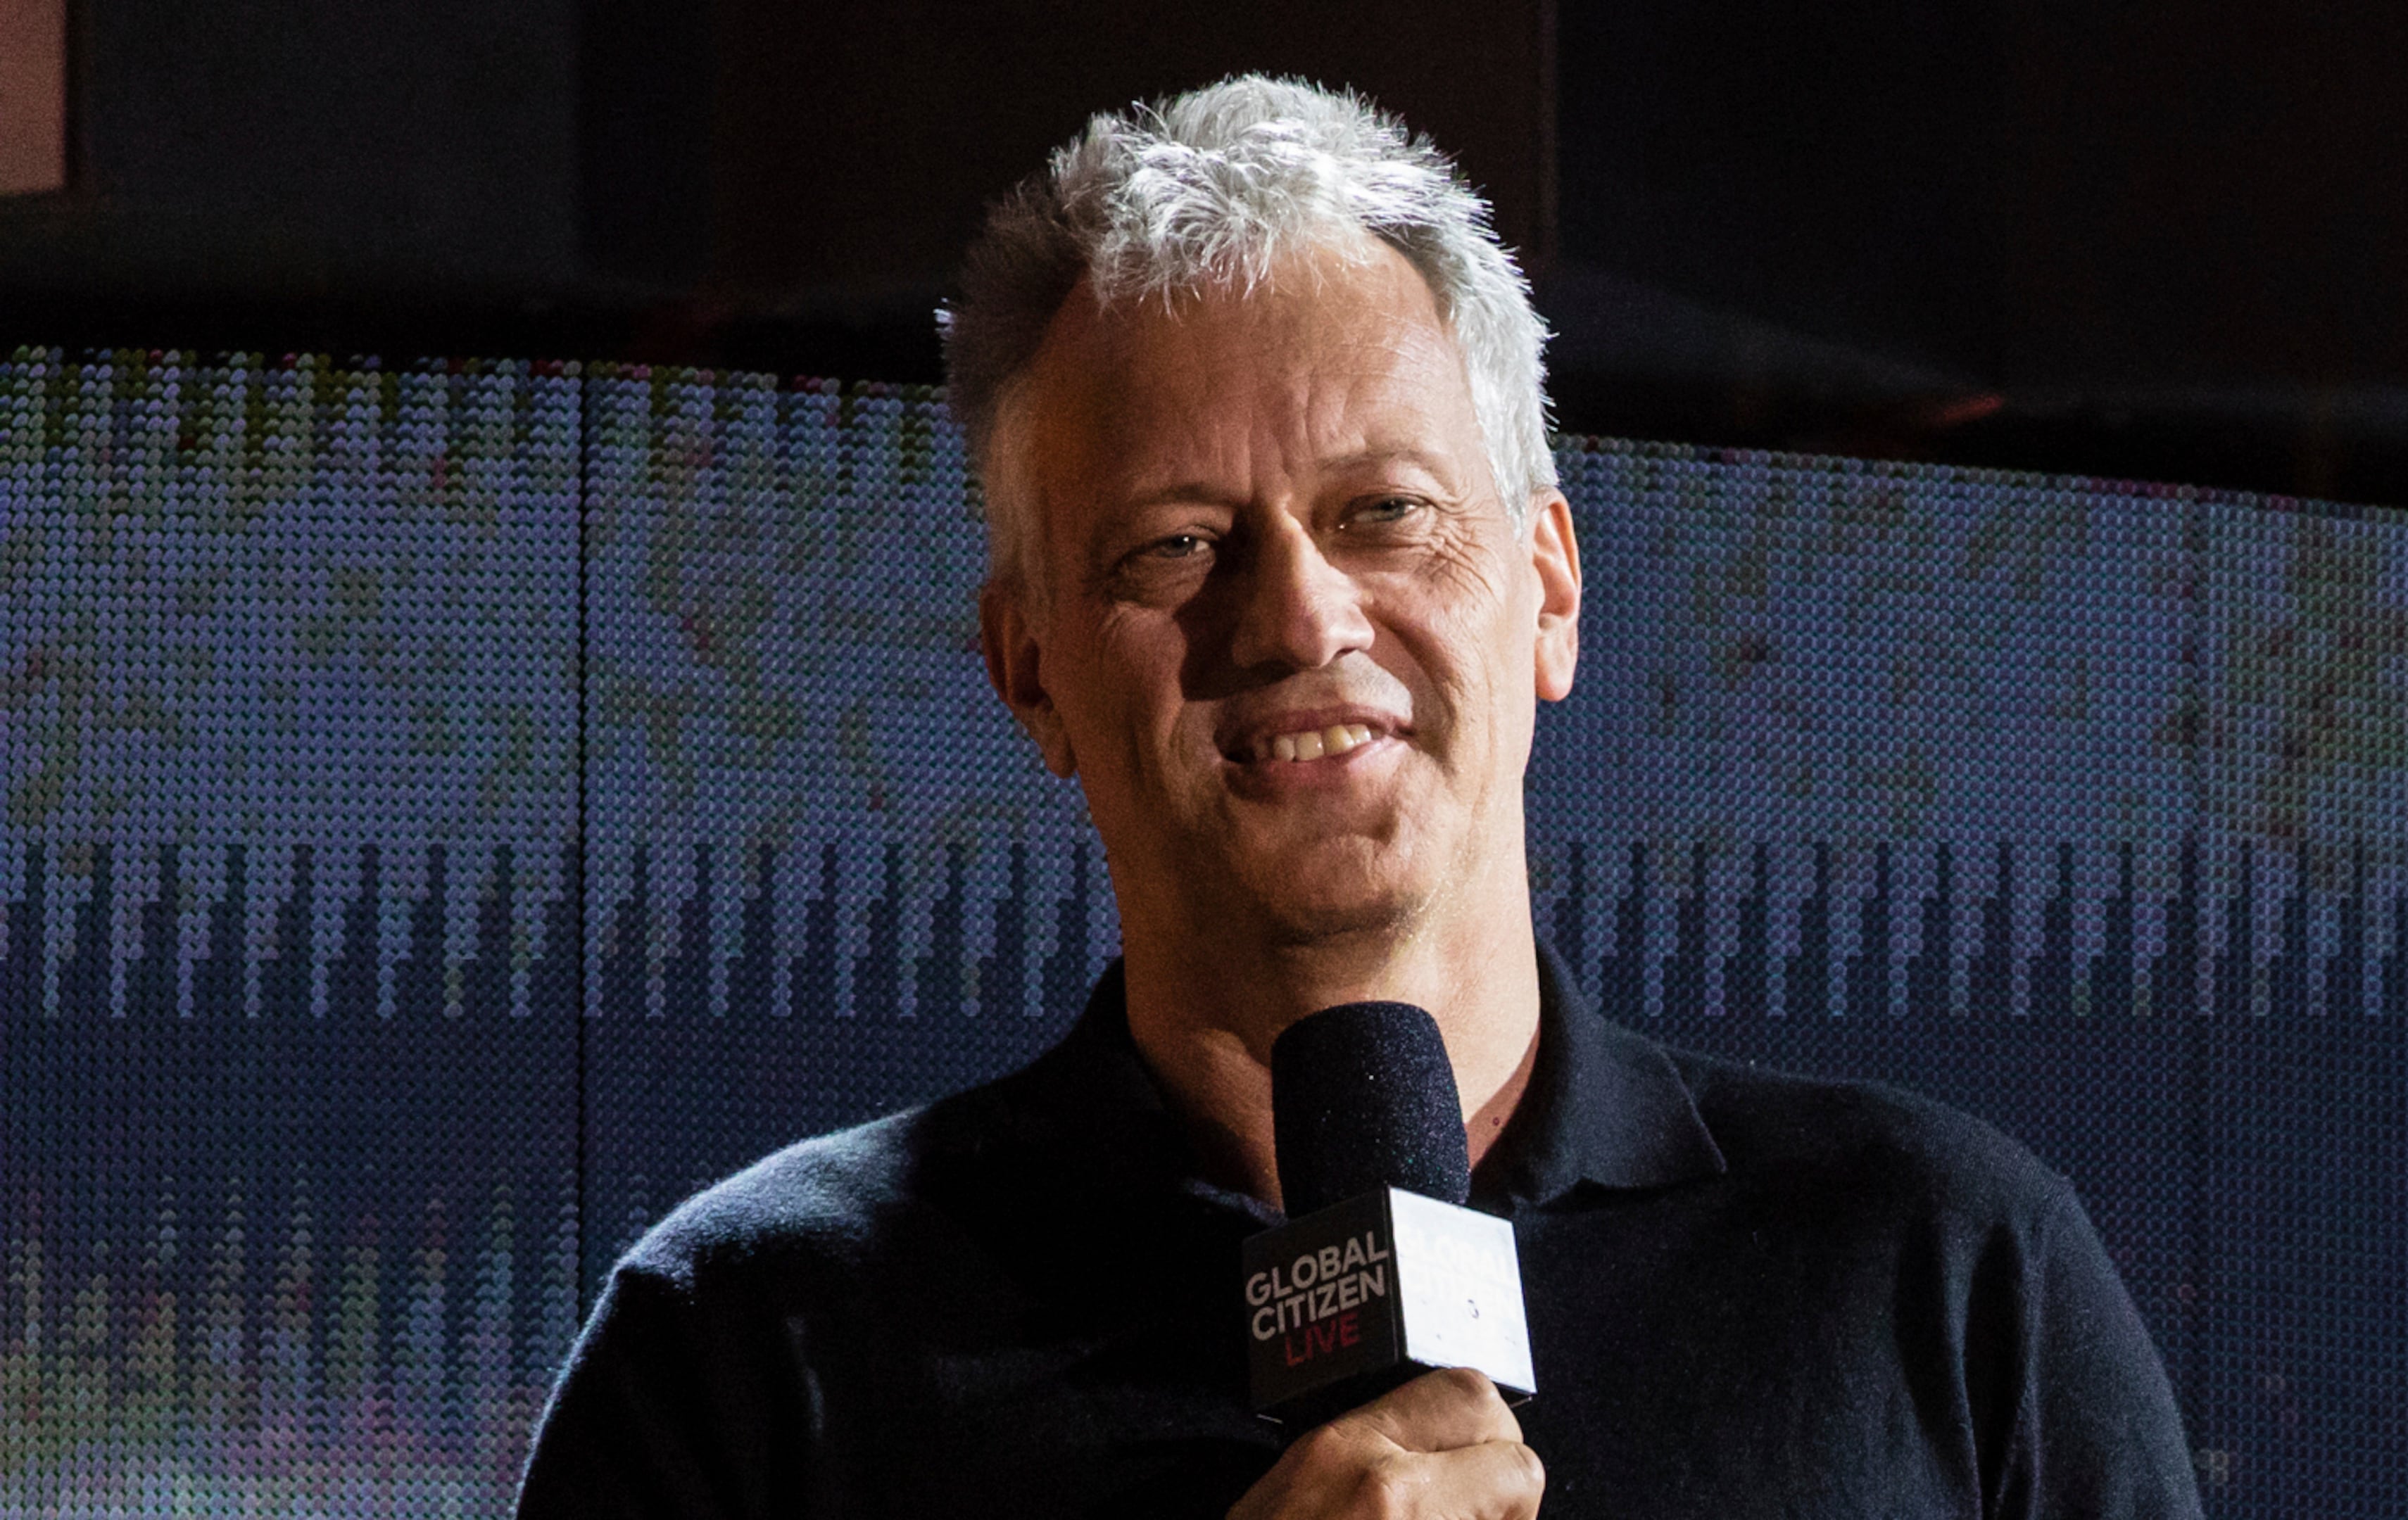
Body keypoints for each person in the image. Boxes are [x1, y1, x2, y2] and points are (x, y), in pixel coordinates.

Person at [516, 75, 2202, 1519]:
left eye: (1383, 512)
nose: (1300, 618)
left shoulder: (1947, 1272)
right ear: (1030, 670)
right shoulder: (743, 1348)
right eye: (1177, 544)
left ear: (1548, 589)